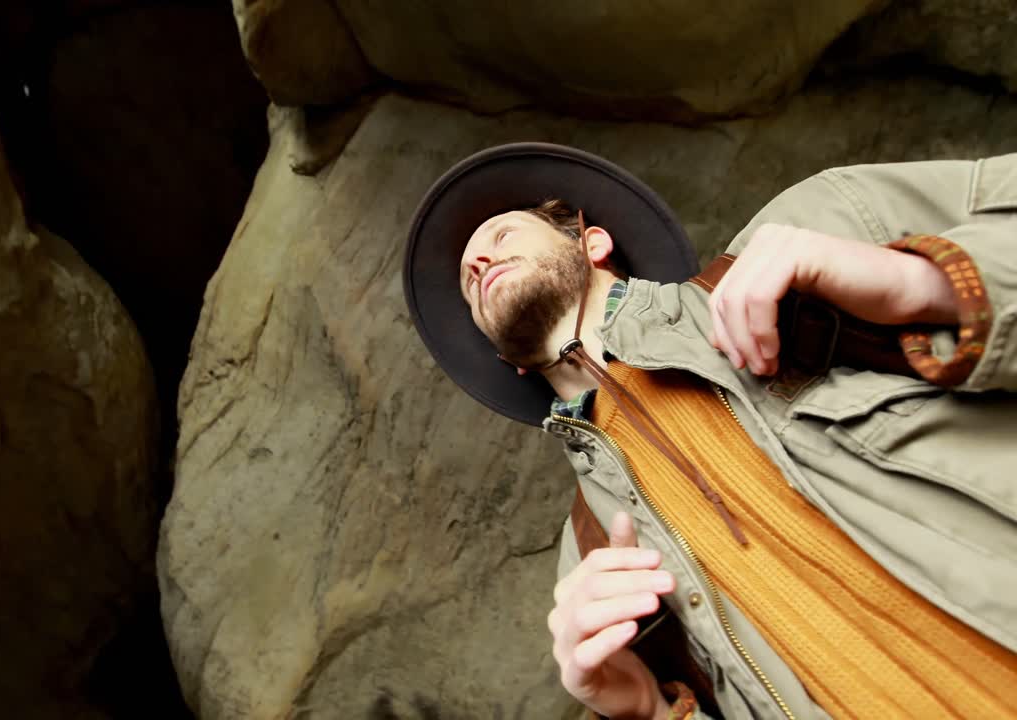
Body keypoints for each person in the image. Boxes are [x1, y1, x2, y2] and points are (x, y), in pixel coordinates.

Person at [403, 144, 1017, 720]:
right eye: (468, 278)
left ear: (593, 242)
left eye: (501, 234)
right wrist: (643, 708)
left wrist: (925, 286)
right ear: (510, 361)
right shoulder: (589, 567)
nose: (478, 261)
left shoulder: (806, 234)